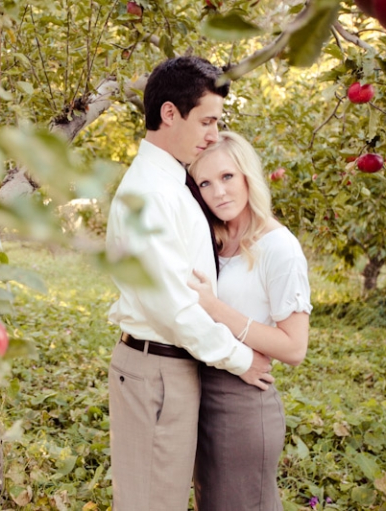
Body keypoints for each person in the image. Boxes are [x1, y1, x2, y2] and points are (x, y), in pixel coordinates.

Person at [105, 56, 274, 511]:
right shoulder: (150, 193)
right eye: (206, 121)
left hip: (172, 368)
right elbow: (173, 307)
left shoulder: (172, 183)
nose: (214, 135)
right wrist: (241, 359)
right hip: (157, 370)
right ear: (169, 114)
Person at [187, 130, 312, 511]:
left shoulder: (279, 247)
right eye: (205, 183)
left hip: (241, 405)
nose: (218, 192)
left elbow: (294, 347)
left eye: (227, 177)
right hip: (198, 394)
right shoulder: (212, 238)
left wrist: (217, 309)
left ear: (247, 177)